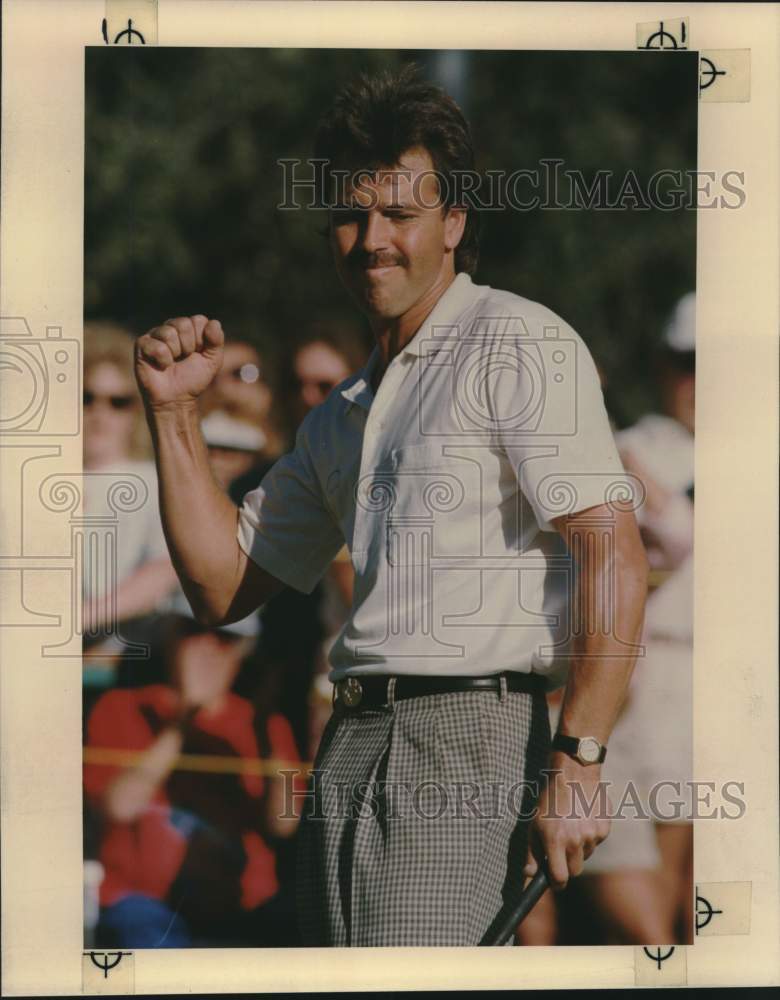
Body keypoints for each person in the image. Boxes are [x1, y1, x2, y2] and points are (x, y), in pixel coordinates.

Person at [133, 65, 648, 947]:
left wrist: (580, 761)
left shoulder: (515, 337)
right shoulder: (345, 411)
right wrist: (174, 413)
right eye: (351, 214)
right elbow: (223, 587)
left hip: (467, 737)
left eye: (401, 214)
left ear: (454, 224)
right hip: (350, 739)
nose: (371, 240)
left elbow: (612, 552)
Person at [83, 597, 302, 947]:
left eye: (224, 638)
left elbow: (284, 822)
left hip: (241, 910)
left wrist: (265, 728)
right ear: (171, 636)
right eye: (192, 631)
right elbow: (119, 807)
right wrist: (183, 720)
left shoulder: (264, 723)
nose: (205, 646)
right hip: (143, 907)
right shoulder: (120, 707)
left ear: (242, 651)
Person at [82, 322, 178, 653]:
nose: (99, 413)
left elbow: (165, 570)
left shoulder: (154, 481)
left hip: (122, 664)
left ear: (136, 409)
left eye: (118, 402)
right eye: (86, 397)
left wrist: (81, 618)